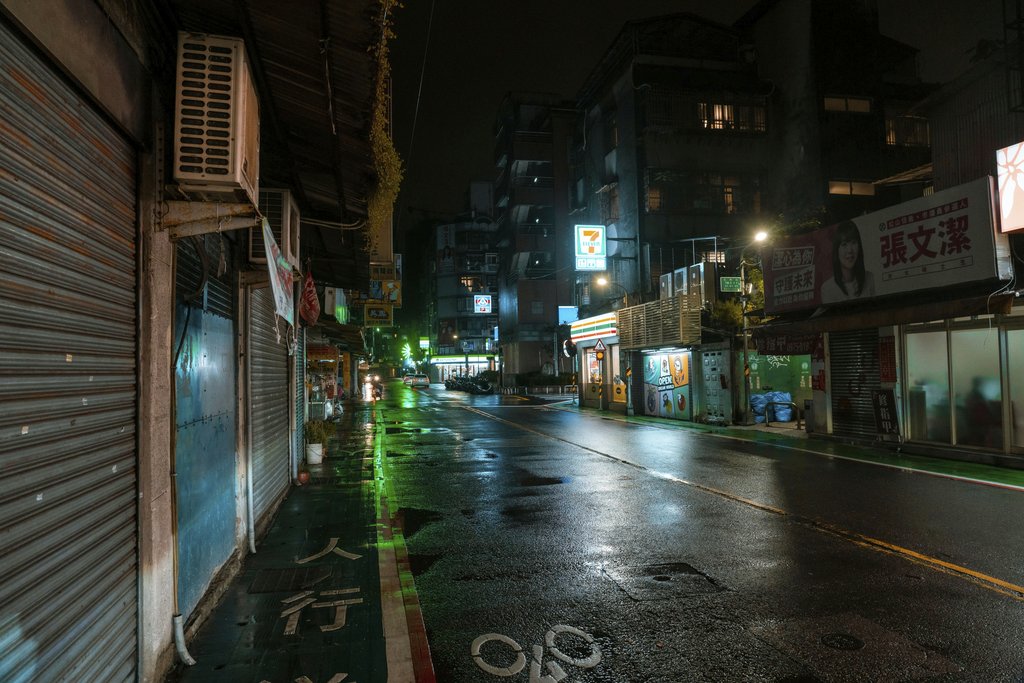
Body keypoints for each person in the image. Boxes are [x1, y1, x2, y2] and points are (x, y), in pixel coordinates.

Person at [819, 220, 875, 304]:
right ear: (836, 250)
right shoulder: (828, 288)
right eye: (844, 244)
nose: (850, 250)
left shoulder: (870, 278)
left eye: (853, 242)